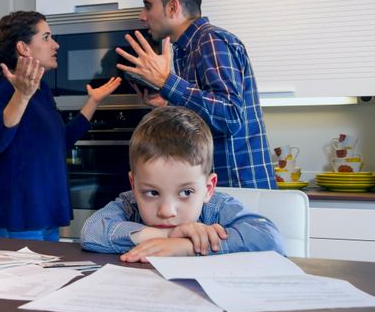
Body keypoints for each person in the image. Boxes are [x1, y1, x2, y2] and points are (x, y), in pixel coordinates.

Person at [115, 0, 276, 189]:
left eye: (147, 6)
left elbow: (230, 116)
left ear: (173, 7)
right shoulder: (184, 50)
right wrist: (167, 103)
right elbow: (206, 117)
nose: (142, 16)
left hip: (240, 190)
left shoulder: (210, 40)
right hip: (218, 190)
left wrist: (166, 82)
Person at [0, 10, 121, 241]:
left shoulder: (42, 91)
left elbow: (60, 142)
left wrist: (93, 101)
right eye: (46, 37)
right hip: (19, 220)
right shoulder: (8, 87)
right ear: (24, 48)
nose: (55, 45)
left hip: (45, 218)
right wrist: (21, 96)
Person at [81, 106, 284, 261]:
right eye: (152, 193)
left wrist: (186, 246)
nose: (167, 211)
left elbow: (270, 238)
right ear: (133, 185)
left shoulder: (217, 207)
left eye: (186, 192)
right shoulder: (128, 203)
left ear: (208, 188)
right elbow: (91, 232)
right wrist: (166, 234)